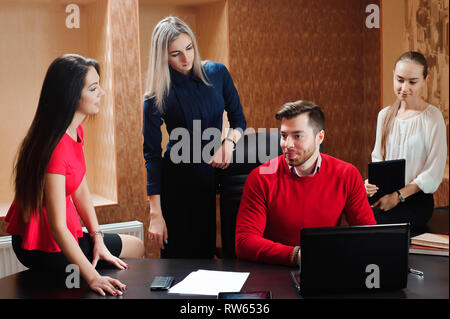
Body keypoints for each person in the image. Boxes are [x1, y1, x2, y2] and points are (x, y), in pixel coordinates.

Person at [5, 54, 145, 296]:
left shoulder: (73, 129)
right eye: (93, 88)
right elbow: (58, 227)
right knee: (137, 246)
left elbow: (79, 186)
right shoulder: (55, 146)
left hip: (56, 237)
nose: (101, 92)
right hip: (45, 245)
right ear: (70, 95)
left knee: (129, 248)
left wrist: (97, 237)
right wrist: (93, 277)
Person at [143, 16, 246, 258]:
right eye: (175, 53)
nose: (186, 58)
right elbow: (151, 156)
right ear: (162, 57)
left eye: (189, 48)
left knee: (207, 257)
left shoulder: (217, 73)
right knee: (178, 261)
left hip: (210, 179)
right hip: (177, 183)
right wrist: (155, 214)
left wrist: (228, 143)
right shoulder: (156, 96)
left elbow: (239, 120)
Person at [235, 100, 376, 266]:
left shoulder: (347, 175)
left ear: (319, 137)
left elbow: (369, 236)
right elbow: (244, 243)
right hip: (274, 271)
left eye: (297, 136)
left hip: (324, 269)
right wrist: (299, 255)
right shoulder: (260, 177)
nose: (287, 144)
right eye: (284, 135)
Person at [365, 51, 447, 234]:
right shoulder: (385, 115)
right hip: (385, 195)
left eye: (412, 81)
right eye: (400, 79)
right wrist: (370, 184)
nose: (404, 87)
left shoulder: (433, 117)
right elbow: (378, 158)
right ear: (393, 74)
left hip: (415, 200)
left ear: (425, 79)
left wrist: (398, 196)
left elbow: (433, 172)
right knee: (359, 221)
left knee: (376, 226)